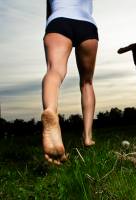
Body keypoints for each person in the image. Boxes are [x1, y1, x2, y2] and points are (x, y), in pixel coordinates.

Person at [42, 0, 98, 166]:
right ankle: (87, 136)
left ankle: (50, 110)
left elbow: (49, 12)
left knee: (55, 69)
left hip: (57, 20)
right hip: (86, 23)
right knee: (87, 83)